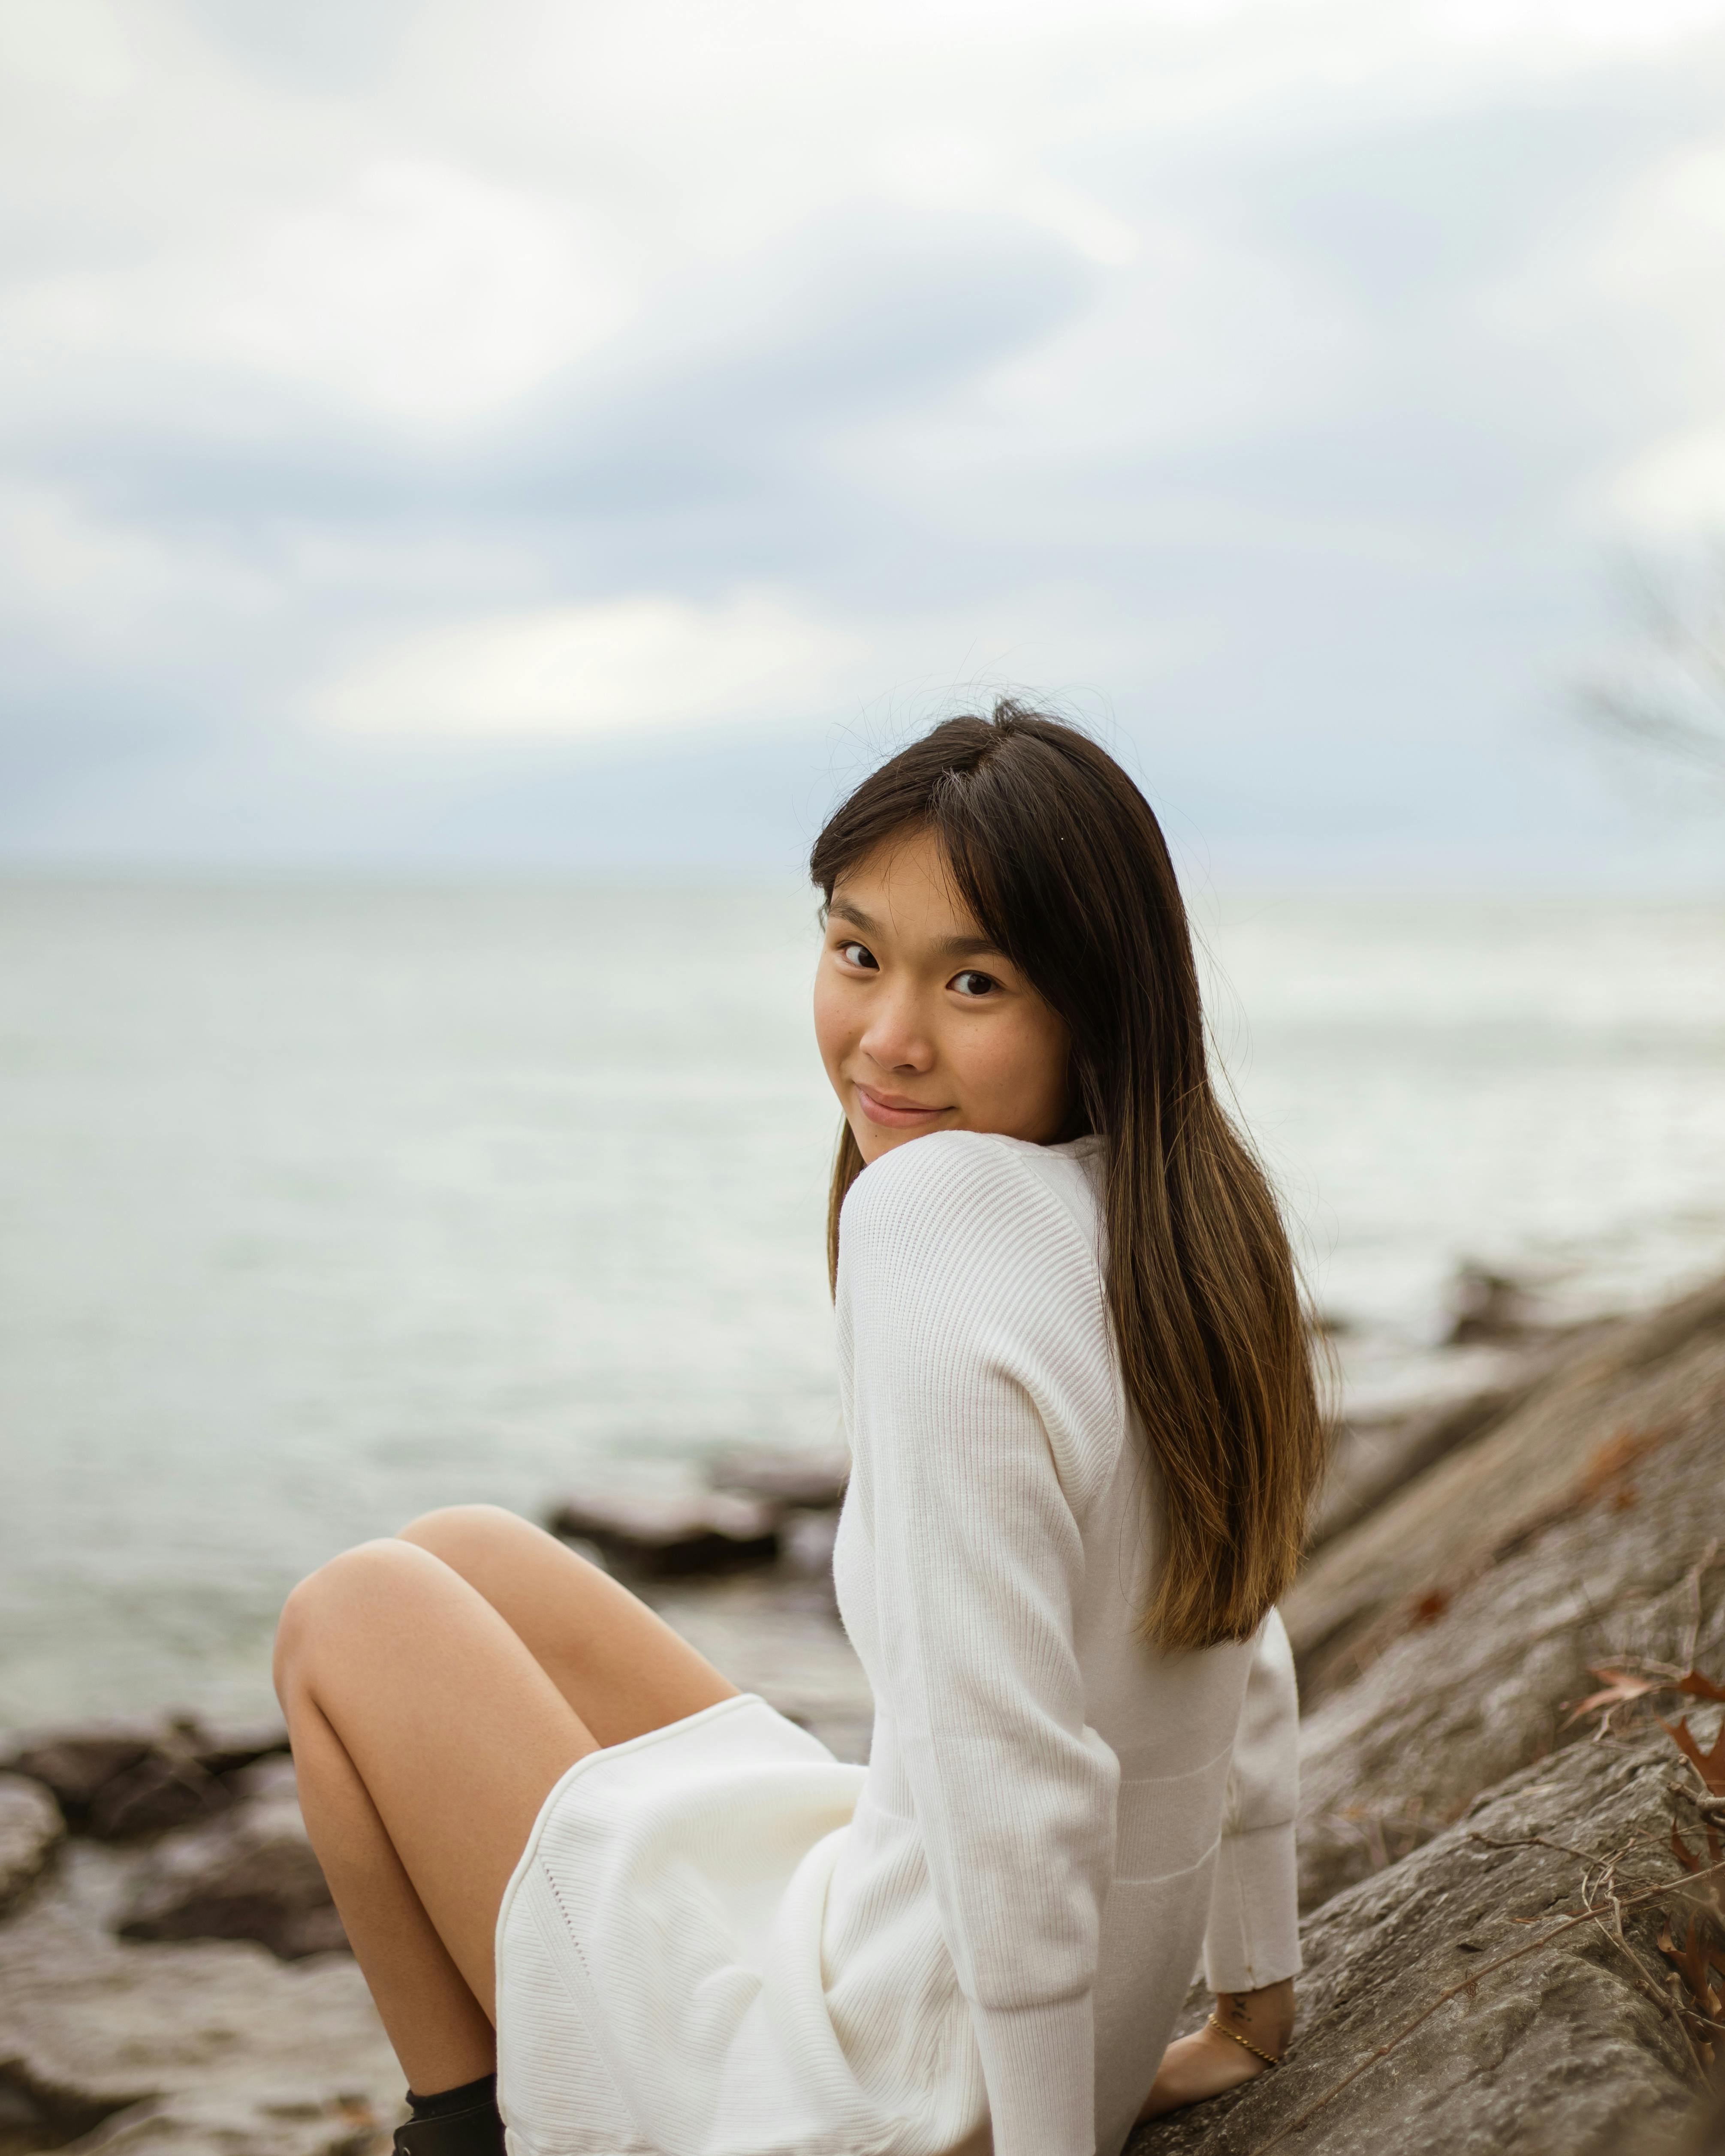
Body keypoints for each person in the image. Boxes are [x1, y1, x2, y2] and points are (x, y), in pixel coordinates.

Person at [274, 704, 1327, 2156]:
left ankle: (464, 2137)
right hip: (1015, 2028)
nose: (886, 1040)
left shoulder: (928, 1224)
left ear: (1093, 1000)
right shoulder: (1186, 1221)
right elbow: (1240, 1646)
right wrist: (1246, 2013)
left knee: (349, 1614)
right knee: (467, 1552)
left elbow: (1006, 1770)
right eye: (856, 952)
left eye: (974, 980)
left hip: (884, 2092)